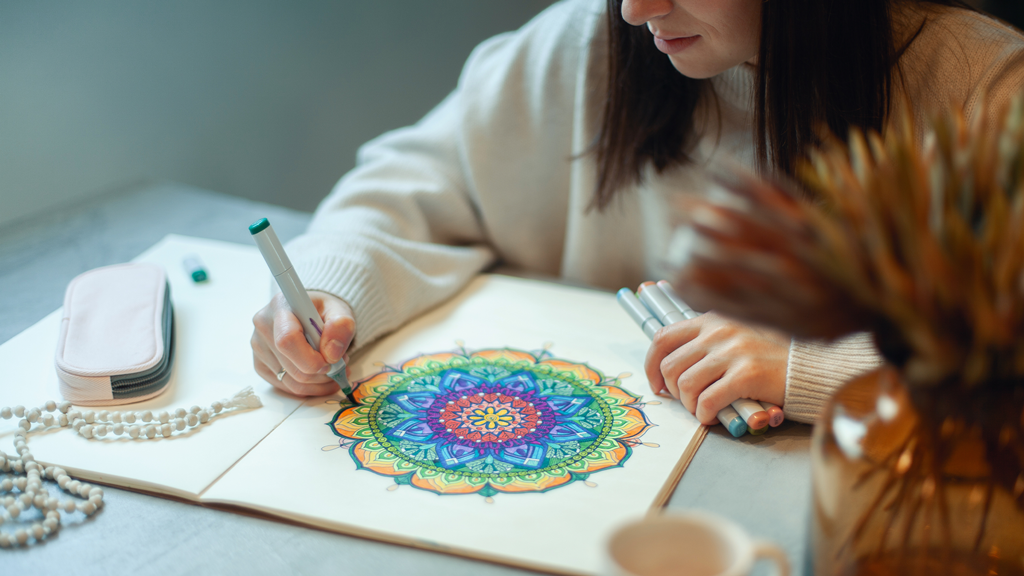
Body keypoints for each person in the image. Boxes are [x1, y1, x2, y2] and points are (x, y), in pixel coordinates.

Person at [250, 0, 1024, 426]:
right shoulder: (586, 45)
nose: (633, 9)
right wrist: (329, 289)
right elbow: (414, 180)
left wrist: (811, 369)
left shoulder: (982, 89)